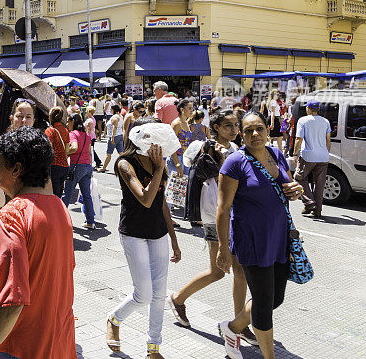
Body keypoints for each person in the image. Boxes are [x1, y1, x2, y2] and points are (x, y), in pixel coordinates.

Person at [0, 127, 75, 359]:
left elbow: (12, 300)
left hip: (14, 345)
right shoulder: (59, 208)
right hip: (53, 341)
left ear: (16, 169)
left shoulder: (12, 216)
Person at [216, 112, 305, 359]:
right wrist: (224, 248)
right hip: (252, 240)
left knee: (276, 298)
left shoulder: (277, 155)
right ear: (241, 135)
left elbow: (288, 191)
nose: (254, 134)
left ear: (267, 130)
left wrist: (296, 191)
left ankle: (232, 328)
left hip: (280, 238)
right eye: (248, 131)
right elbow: (222, 210)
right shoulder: (234, 162)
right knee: (264, 305)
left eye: (259, 129)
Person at [169, 110, 256, 345]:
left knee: (237, 270)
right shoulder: (209, 148)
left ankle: (239, 324)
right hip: (214, 215)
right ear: (215, 127)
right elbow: (213, 179)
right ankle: (178, 298)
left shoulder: (234, 149)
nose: (234, 130)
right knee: (221, 270)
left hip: (233, 214)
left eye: (236, 125)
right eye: (228, 126)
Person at [106, 118, 182, 358]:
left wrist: (174, 238)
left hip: (158, 232)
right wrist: (159, 168)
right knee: (144, 295)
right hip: (133, 233)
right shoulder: (124, 163)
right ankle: (114, 319)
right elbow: (146, 199)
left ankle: (153, 347)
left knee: (159, 294)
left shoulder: (160, 163)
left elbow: (161, 203)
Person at [293, 101, 332, 219]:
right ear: (318, 109)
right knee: (319, 184)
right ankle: (317, 210)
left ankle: (309, 203)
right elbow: (328, 140)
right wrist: (326, 153)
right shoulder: (325, 121)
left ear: (308, 108)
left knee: (299, 178)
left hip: (308, 156)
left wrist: (295, 154)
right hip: (323, 156)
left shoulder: (303, 120)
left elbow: (298, 139)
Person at [61, 113, 97, 230]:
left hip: (76, 167)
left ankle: (61, 221)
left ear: (73, 122)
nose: (67, 124)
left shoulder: (73, 134)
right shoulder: (87, 135)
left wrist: (65, 153)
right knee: (87, 195)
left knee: (67, 194)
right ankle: (90, 221)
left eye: (68, 121)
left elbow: (74, 147)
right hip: (87, 166)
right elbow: (89, 152)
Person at [44, 106, 71, 198]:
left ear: (50, 117)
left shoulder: (50, 131)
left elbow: (49, 150)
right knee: (58, 194)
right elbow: (67, 150)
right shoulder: (65, 131)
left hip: (54, 166)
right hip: (64, 165)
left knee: (53, 195)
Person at [99, 103, 124, 173]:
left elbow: (114, 127)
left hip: (114, 136)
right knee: (121, 153)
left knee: (109, 153)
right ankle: (128, 165)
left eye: (111, 109)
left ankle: (103, 168)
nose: (110, 110)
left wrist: (112, 137)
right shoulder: (120, 116)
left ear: (114, 110)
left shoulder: (114, 117)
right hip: (120, 135)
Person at [84, 106, 102, 170]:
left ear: (89, 112)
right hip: (92, 136)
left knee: (90, 150)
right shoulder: (92, 119)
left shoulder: (90, 120)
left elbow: (89, 129)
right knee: (91, 150)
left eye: (87, 111)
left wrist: (86, 137)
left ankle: (96, 162)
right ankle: (98, 161)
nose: (86, 112)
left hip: (90, 136)